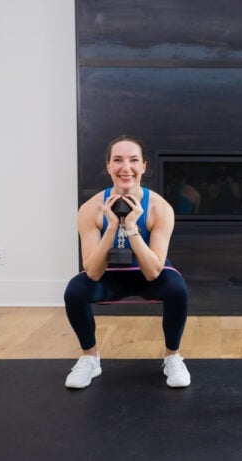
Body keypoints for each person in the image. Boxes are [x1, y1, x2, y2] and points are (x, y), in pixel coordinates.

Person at [63, 134, 191, 389]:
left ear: (143, 166)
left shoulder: (160, 208)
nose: (126, 167)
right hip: (108, 277)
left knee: (177, 288)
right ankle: (90, 359)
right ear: (108, 166)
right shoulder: (90, 209)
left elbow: (154, 272)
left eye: (133, 160)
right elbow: (92, 272)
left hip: (146, 275)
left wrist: (131, 227)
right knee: (75, 290)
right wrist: (111, 228)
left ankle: (172, 357)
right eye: (118, 160)